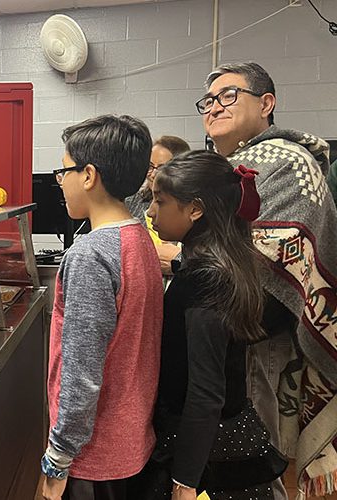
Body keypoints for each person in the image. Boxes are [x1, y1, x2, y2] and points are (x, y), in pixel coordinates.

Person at [199, 61, 337, 498]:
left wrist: (185, 252)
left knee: (258, 460)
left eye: (228, 95)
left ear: (266, 103)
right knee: (222, 460)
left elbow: (274, 255)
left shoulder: (290, 163)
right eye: (208, 101)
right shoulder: (217, 169)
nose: (214, 107)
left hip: (262, 336)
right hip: (217, 335)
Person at [134, 150, 281, 499]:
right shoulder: (218, 263)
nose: (151, 212)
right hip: (215, 432)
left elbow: (206, 390)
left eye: (160, 201)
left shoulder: (206, 279)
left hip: (208, 447)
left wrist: (185, 480)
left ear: (195, 210)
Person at [41, 115, 163, 500]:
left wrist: (58, 458)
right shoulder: (139, 237)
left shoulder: (91, 255)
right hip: (131, 440)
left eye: (64, 171)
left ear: (89, 175)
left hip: (94, 455)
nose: (61, 182)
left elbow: (81, 373)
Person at [126, 136, 190, 276]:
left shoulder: (193, 207)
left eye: (162, 168)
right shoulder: (130, 203)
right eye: (150, 166)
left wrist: (179, 260)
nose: (153, 174)